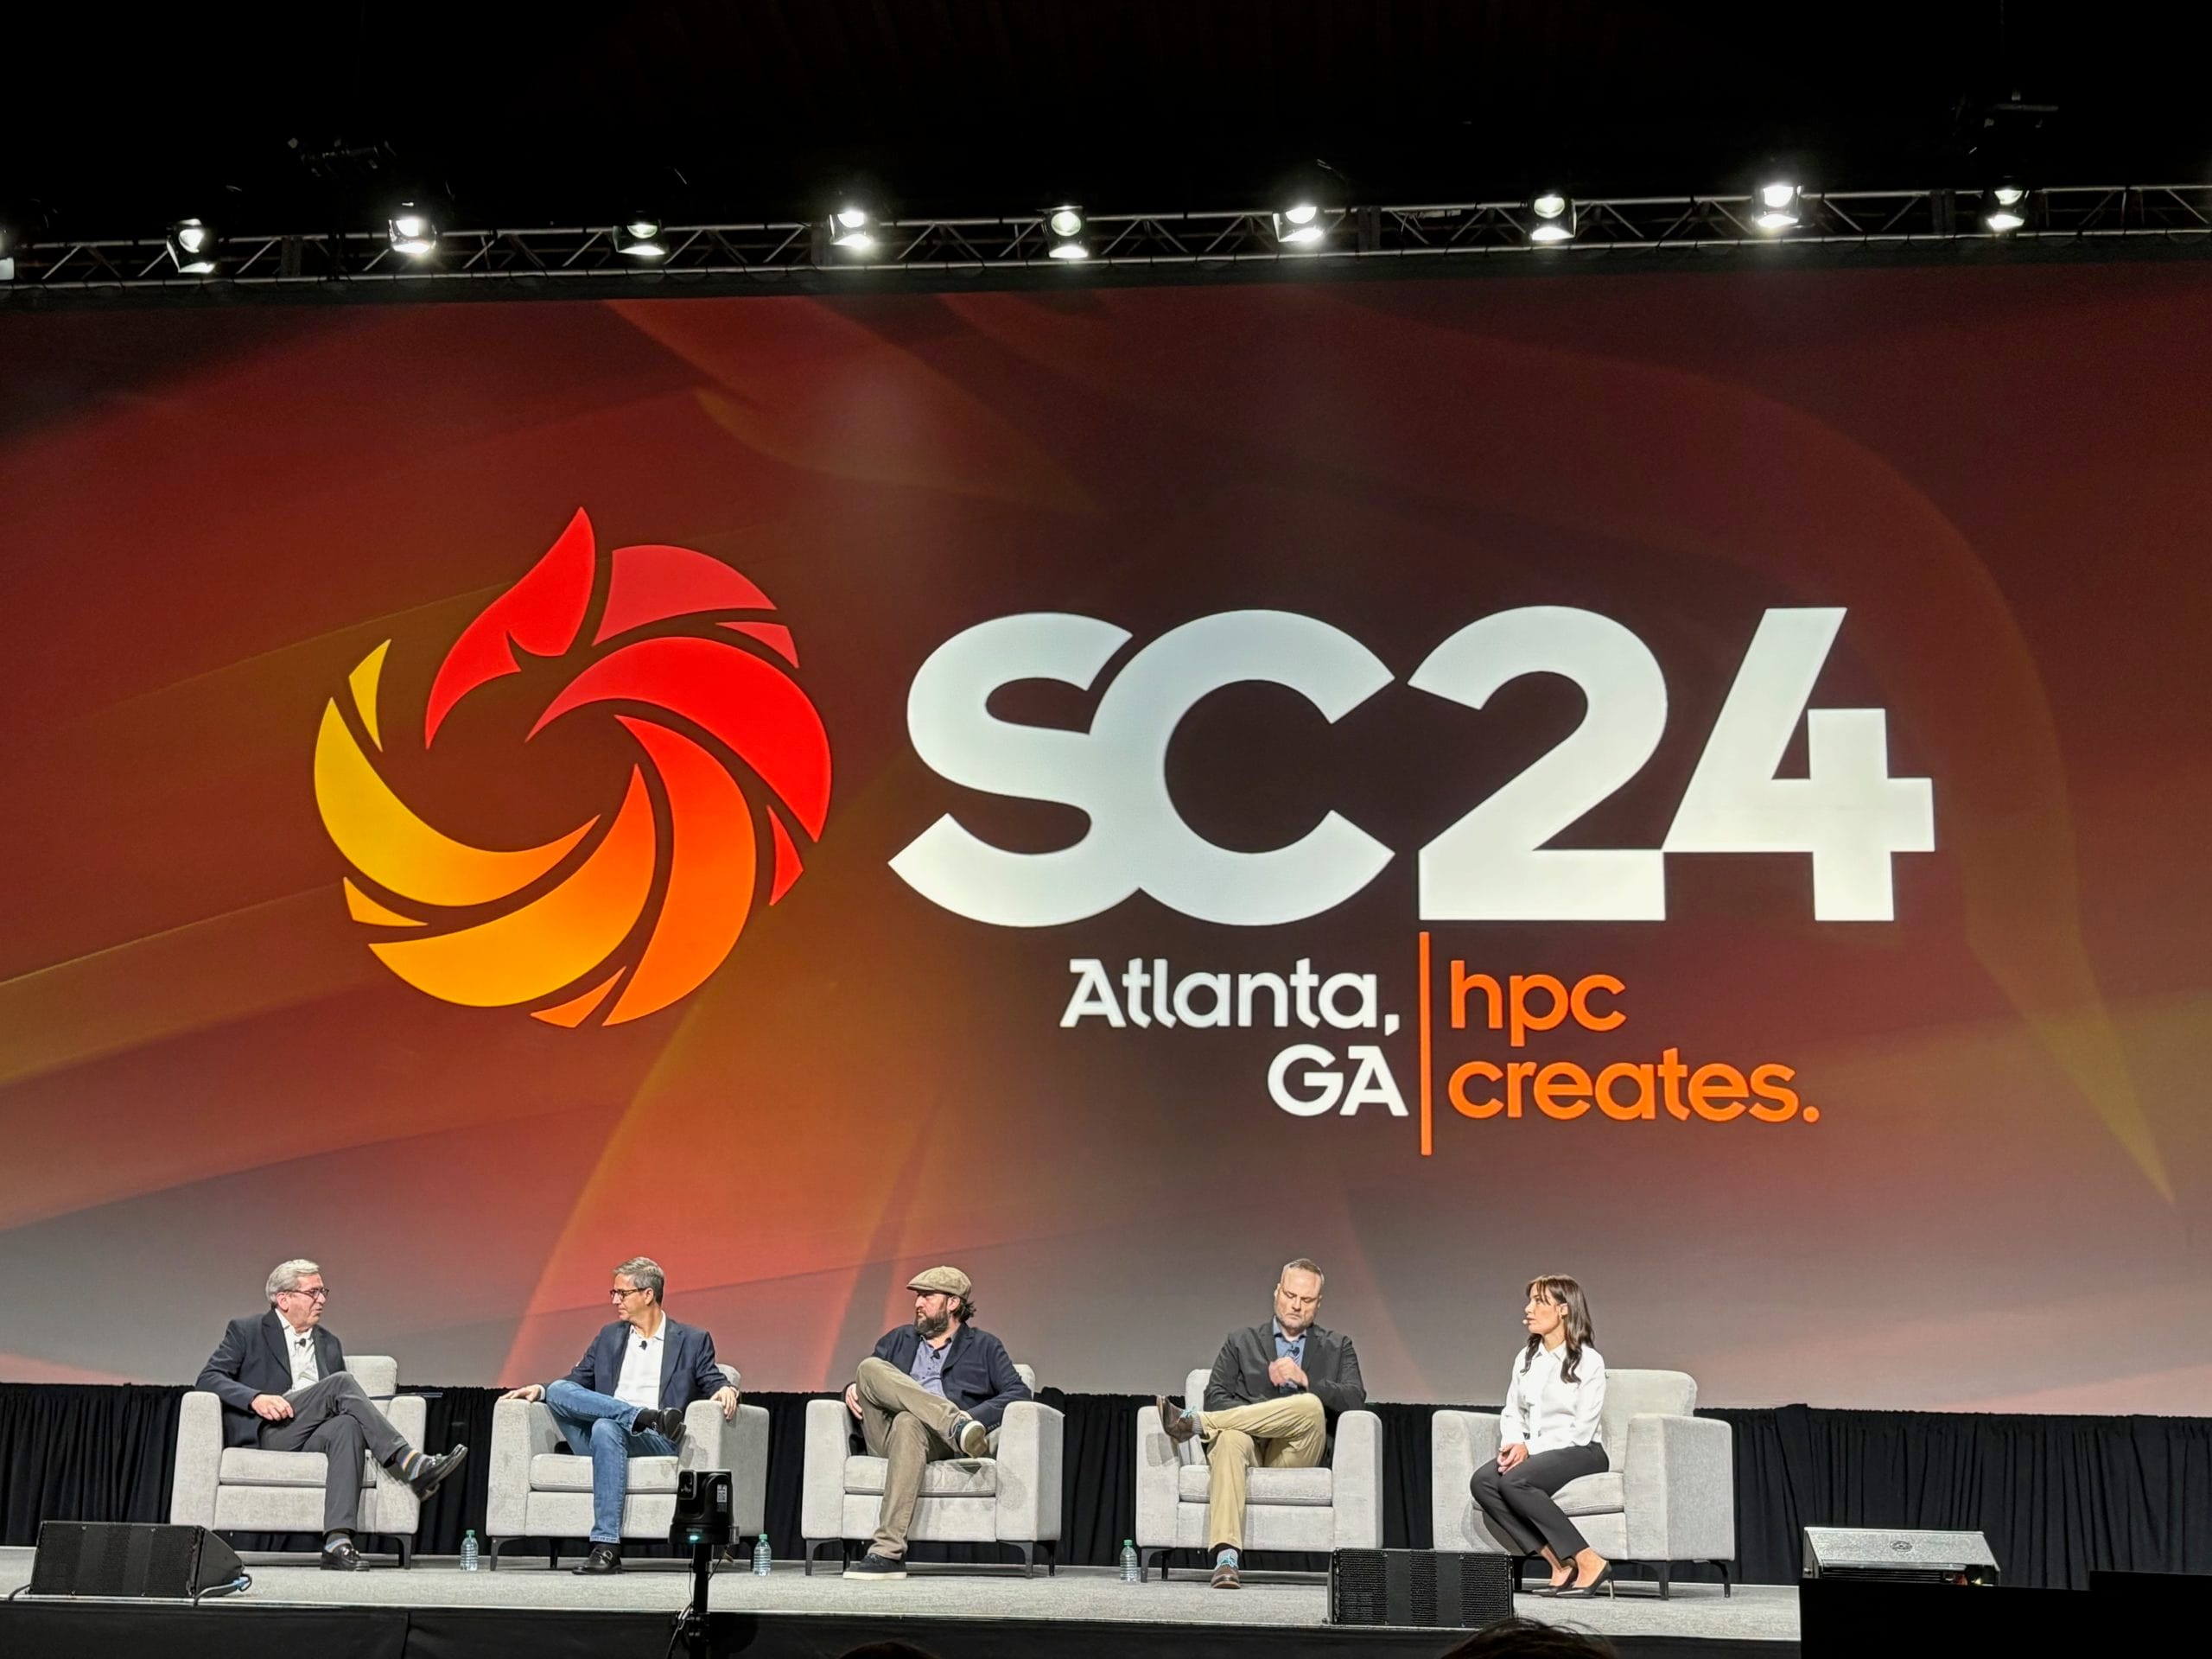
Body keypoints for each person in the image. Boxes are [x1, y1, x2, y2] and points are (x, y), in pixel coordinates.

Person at [196, 1258, 468, 1571]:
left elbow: (337, 1406)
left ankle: (337, 1541)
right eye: (312, 1292)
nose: (322, 1300)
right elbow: (208, 1378)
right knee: (340, 1383)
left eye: (323, 1291)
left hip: (314, 1433)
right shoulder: (247, 1331)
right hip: (272, 1431)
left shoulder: (328, 1343)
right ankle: (409, 1461)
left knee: (347, 1426)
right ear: (283, 1299)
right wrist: (255, 1398)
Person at [499, 1255, 740, 1575]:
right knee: (559, 1391)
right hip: (608, 1436)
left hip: (654, 1439)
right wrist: (541, 1391)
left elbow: (712, 1378)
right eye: (614, 1293)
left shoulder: (692, 1340)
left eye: (622, 1293)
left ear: (648, 1294)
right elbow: (576, 1382)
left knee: (605, 1426)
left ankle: (606, 1547)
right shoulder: (609, 1336)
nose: (615, 1301)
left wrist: (726, 1388)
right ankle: (641, 1415)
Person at [1154, 1257, 1366, 1589]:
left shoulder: (1338, 1346)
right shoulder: (1241, 1342)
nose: (1296, 1305)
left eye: (1307, 1299)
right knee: (1229, 1439)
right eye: (1290, 1295)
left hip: (1297, 1452)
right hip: (1248, 1449)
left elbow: (1355, 1400)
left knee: (1309, 1405)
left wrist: (1306, 1380)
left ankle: (1197, 1424)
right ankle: (1226, 1560)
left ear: (1319, 1303)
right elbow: (1216, 1397)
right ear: (1277, 1292)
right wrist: (1264, 1415)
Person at [840, 1266, 1030, 1580]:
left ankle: (886, 1553)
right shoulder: (899, 1339)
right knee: (868, 1368)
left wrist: (974, 1417)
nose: (918, 1303)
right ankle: (953, 1424)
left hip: (936, 1443)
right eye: (917, 1296)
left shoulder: (985, 1346)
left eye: (927, 1296)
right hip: (885, 1435)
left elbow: (1019, 1392)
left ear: (953, 1303)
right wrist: (852, 1387)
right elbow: (875, 1381)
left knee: (908, 1422)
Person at [1471, 1275, 1613, 1598]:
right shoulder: (1526, 1358)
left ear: (1563, 1309)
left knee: (1515, 1481)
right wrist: (1512, 1444)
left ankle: (1589, 1560)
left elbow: (1582, 1430)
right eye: (1530, 1300)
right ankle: (1558, 1564)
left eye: (1539, 1301)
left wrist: (1529, 1448)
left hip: (1582, 1451)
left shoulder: (1588, 1360)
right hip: (1537, 1451)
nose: (1528, 1309)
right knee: (1483, 1481)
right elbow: (1512, 1411)